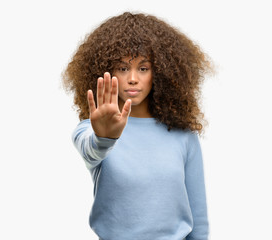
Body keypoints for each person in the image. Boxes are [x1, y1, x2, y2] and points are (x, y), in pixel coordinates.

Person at [62, 11, 215, 240]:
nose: (133, 78)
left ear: (161, 73)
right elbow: (90, 150)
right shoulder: (92, 129)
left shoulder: (183, 135)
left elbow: (198, 217)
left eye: (143, 68)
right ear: (106, 71)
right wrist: (104, 138)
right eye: (123, 68)